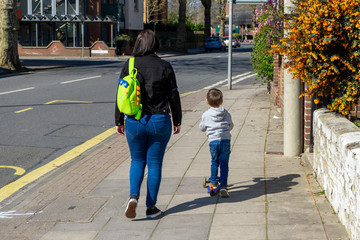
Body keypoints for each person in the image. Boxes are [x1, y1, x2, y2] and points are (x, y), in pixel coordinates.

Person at [115, 29, 182, 219]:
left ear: (138, 44)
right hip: (159, 121)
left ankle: (133, 196)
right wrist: (177, 120)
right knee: (154, 164)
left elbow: (121, 94)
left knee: (137, 161)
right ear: (155, 44)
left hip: (135, 121)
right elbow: (173, 95)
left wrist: (119, 120)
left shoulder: (130, 64)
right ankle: (151, 208)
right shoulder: (165, 66)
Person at [199, 88, 233, 197]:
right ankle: (223, 185)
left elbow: (202, 127)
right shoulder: (226, 112)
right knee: (224, 163)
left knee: (214, 161)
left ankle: (213, 183)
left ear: (207, 101)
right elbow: (231, 125)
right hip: (225, 140)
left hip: (213, 141)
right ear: (221, 101)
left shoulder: (206, 114)